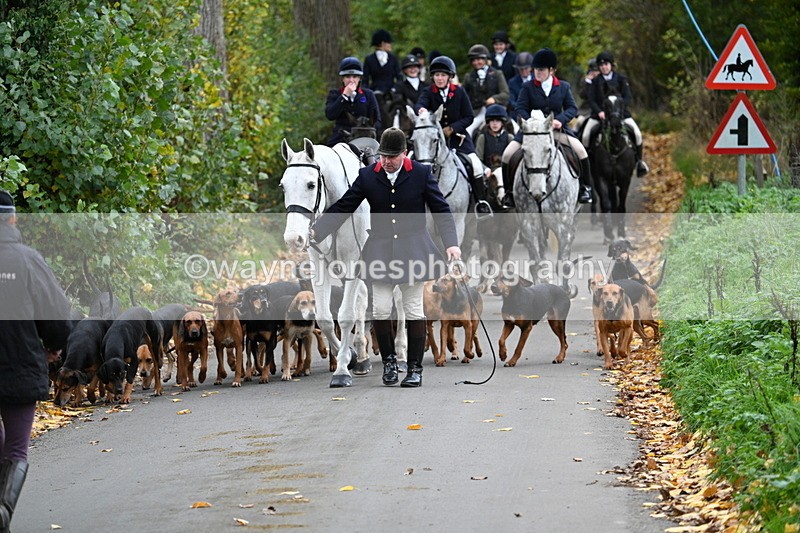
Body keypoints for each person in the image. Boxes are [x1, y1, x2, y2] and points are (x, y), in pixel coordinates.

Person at [309, 129, 461, 388]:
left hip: (413, 248)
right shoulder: (368, 175)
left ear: (405, 153)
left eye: (392, 156)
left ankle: (414, 368)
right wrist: (317, 230)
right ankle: (389, 363)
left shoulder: (421, 174)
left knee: (413, 309)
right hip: (379, 250)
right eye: (383, 156)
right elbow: (345, 205)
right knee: (380, 308)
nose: (386, 161)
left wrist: (452, 245)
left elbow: (441, 209)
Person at [0, 189, 73, 532]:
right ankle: (2, 512)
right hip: (19, 362)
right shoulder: (28, 260)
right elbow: (56, 314)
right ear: (13, 219)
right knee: (16, 446)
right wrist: (53, 347)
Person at [500, 48, 594, 207]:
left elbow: (572, 108)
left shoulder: (563, 87)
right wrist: (530, 121)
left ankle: (585, 188)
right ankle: (509, 194)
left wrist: (559, 119)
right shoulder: (528, 87)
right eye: (536, 69)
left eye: (541, 70)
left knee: (581, 151)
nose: (537, 72)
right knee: (507, 155)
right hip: (531, 132)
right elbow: (520, 108)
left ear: (552, 70)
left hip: (556, 131)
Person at [416, 55, 493, 217]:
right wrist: (421, 110)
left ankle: (481, 203)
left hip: (458, 140)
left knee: (475, 165)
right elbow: (420, 104)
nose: (439, 78)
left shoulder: (459, 91)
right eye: (436, 75)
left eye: (443, 75)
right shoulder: (428, 92)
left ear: (450, 77)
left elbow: (469, 116)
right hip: (433, 142)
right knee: (411, 158)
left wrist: (452, 128)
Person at [580, 50, 649, 177]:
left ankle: (640, 162)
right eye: (601, 65)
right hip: (600, 115)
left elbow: (627, 97)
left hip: (620, 114)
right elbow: (592, 99)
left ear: (611, 65)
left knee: (637, 133)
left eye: (606, 64)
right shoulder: (595, 82)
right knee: (585, 136)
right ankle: (587, 164)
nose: (603, 67)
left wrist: (619, 111)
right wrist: (600, 111)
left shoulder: (621, 79)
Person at [325, 56, 382, 147]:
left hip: (364, 138)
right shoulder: (335, 94)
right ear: (342, 79)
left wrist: (366, 131)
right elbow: (330, 115)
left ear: (359, 78)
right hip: (340, 138)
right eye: (347, 77)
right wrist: (344, 96)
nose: (351, 80)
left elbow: (377, 120)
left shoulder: (368, 94)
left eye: (355, 77)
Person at [463, 44, 510, 115]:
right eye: (473, 60)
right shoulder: (469, 76)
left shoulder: (497, 74)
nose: (476, 63)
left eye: (478, 59)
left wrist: (494, 99)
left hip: (496, 111)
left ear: (485, 59)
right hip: (476, 111)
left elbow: (505, 94)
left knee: (515, 125)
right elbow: (463, 95)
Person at [362, 29, 402, 94]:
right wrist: (368, 93)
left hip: (391, 93)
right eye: (389, 42)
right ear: (382, 43)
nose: (391, 45)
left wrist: (395, 89)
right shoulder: (369, 59)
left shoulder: (393, 59)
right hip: (375, 93)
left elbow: (400, 77)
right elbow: (365, 80)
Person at [475, 104, 513, 172]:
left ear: (502, 123)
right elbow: (478, 159)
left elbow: (512, 159)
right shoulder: (482, 138)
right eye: (492, 121)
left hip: (505, 173)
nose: (494, 124)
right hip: (488, 173)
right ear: (488, 123)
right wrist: (485, 169)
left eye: (498, 121)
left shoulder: (509, 137)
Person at [574, 58, 600, 134]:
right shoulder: (585, 81)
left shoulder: (603, 81)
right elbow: (582, 95)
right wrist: (588, 83)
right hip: (587, 110)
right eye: (593, 71)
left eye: (597, 71)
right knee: (579, 122)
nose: (595, 73)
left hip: (601, 109)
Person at [507, 51, 533, 121]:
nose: (524, 71)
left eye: (526, 68)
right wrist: (522, 108)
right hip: (518, 115)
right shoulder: (512, 82)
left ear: (531, 67)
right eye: (521, 69)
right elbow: (511, 100)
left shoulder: (537, 80)